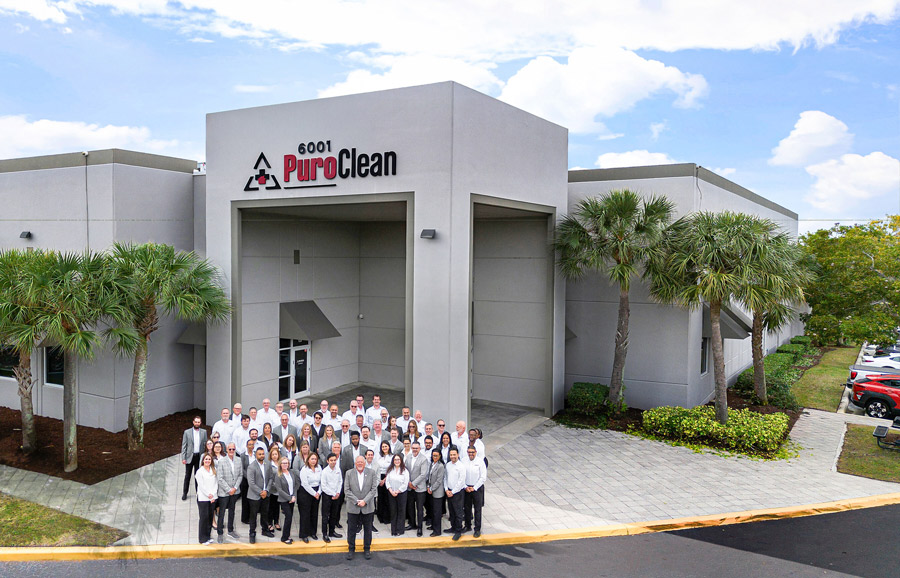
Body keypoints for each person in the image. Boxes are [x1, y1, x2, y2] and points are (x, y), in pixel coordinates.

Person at [344, 455, 378, 560]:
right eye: (358, 462)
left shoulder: (372, 473)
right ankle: (351, 549)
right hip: (353, 506)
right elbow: (346, 490)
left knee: (368, 529)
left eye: (361, 462)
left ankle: (367, 549)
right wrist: (357, 501)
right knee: (351, 529)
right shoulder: (349, 473)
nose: (360, 464)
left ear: (365, 463)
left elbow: (373, 489)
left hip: (367, 506)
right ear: (355, 463)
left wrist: (364, 501)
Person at [215, 442, 242, 543]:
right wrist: (228, 489)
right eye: (230, 449)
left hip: (234, 491)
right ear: (226, 450)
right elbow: (220, 478)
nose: (231, 451)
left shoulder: (239, 460)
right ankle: (220, 533)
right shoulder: (221, 461)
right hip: (224, 492)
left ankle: (230, 530)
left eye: (233, 449)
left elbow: (240, 475)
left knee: (232, 511)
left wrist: (235, 488)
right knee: (221, 513)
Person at [269, 456, 300, 544]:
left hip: (292, 499)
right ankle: (284, 538)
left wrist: (293, 496)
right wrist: (289, 498)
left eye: (286, 463)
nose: (285, 465)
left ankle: (287, 535)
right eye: (283, 463)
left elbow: (296, 484)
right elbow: (279, 490)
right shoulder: (278, 475)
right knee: (288, 517)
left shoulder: (291, 472)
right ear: (280, 464)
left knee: (289, 518)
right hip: (284, 500)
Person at [247, 447, 273, 543]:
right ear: (256, 455)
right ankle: (252, 533)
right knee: (253, 515)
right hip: (255, 496)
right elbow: (251, 483)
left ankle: (265, 530)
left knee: (265, 513)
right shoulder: (251, 467)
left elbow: (271, 478)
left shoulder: (268, 464)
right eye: (259, 454)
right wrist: (261, 492)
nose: (262, 456)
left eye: (262, 454)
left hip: (266, 494)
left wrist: (266, 490)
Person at [181, 416, 208, 501]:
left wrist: (205, 456)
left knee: (198, 476)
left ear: (200, 423)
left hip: (199, 457)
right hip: (190, 457)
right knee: (187, 476)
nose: (197, 423)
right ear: (193, 422)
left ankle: (198, 492)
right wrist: (183, 457)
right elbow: (184, 445)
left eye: (198, 422)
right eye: (196, 422)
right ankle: (185, 493)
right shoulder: (187, 432)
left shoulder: (204, 432)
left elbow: (205, 444)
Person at [463, 446, 487, 538]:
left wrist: (475, 487)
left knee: (477, 509)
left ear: (476, 452)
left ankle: (477, 529)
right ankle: (467, 525)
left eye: (472, 452)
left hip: (477, 488)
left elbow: (483, 477)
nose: (471, 454)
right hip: (467, 488)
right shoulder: (464, 461)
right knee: (467, 508)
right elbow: (461, 475)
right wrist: (465, 486)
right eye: (469, 452)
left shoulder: (480, 462)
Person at [298, 453, 322, 542]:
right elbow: (305, 484)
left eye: (315, 459)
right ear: (308, 460)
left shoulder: (319, 468)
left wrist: (319, 492)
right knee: (305, 514)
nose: (313, 461)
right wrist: (314, 493)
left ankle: (313, 532)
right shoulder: (304, 469)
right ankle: (304, 534)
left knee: (314, 513)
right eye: (312, 459)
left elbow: (321, 481)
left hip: (317, 492)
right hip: (306, 492)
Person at [405, 441, 428, 536]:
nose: (415, 450)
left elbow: (423, 474)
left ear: (420, 449)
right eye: (413, 448)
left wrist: (413, 483)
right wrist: (408, 483)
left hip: (419, 488)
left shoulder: (424, 459)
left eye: (416, 448)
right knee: (410, 507)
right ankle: (412, 524)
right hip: (410, 487)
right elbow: (405, 471)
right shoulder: (408, 457)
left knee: (419, 509)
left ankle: (420, 528)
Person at [320, 452, 343, 543]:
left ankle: (332, 531)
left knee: (334, 514)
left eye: (334, 460)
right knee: (325, 516)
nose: (333, 462)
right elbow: (324, 486)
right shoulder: (325, 472)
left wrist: (338, 492)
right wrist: (333, 494)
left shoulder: (338, 469)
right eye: (331, 460)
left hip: (336, 495)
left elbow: (340, 481)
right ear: (327, 461)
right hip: (327, 496)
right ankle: (325, 534)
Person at [444, 447, 466, 541]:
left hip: (457, 493)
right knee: (451, 511)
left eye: (454, 454)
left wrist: (452, 492)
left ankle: (458, 531)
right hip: (449, 491)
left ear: (458, 455)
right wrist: (446, 489)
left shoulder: (461, 466)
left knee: (458, 512)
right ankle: (453, 527)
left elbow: (461, 482)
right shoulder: (448, 465)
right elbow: (445, 478)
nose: (452, 456)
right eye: (451, 455)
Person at [196, 453, 218, 545]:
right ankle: (202, 539)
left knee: (209, 518)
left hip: (212, 497)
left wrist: (213, 495)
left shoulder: (214, 470)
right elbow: (201, 486)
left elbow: (216, 483)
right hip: (203, 498)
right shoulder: (199, 472)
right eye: (206, 459)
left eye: (209, 459)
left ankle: (208, 537)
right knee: (204, 518)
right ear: (203, 461)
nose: (207, 461)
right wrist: (208, 495)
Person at [385, 454, 409, 536]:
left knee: (401, 511)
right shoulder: (390, 470)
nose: (397, 461)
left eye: (398, 459)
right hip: (391, 493)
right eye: (395, 460)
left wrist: (398, 491)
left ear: (401, 460)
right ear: (393, 461)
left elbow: (405, 483)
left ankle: (400, 530)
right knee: (393, 511)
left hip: (401, 493)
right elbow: (387, 482)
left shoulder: (405, 471)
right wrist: (391, 491)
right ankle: (393, 530)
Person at [426, 448, 445, 536]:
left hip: (437, 492)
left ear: (440, 456)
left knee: (437, 512)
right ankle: (433, 526)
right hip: (431, 490)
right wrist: (428, 486)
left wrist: (431, 488)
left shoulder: (441, 466)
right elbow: (429, 477)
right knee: (433, 510)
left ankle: (437, 531)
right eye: (433, 455)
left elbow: (439, 481)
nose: (435, 457)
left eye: (436, 456)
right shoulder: (432, 464)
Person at [376, 441, 393, 525]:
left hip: (388, 477)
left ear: (389, 447)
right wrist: (379, 480)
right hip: (380, 477)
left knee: (387, 498)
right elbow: (377, 468)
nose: (384, 448)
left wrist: (385, 480)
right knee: (380, 498)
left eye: (386, 446)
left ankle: (387, 517)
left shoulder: (392, 457)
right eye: (383, 447)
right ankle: (381, 516)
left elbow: (392, 469)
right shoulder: (379, 457)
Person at [267, 446, 282, 533]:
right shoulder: (269, 464)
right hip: (272, 489)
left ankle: (276, 522)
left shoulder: (281, 463)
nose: (275, 456)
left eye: (276, 454)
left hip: (279, 490)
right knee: (271, 507)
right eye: (273, 454)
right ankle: (270, 523)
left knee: (277, 506)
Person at [240, 439, 254, 525]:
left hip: (254, 480)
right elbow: (242, 468)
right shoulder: (243, 455)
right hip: (246, 480)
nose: (251, 446)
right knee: (245, 499)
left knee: (253, 499)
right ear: (246, 445)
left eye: (252, 444)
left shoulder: (255, 454)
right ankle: (245, 518)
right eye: (249, 444)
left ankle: (252, 516)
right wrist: (248, 477)